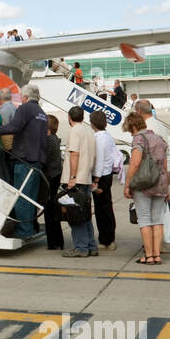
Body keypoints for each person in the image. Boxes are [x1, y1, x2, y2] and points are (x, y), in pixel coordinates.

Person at [0, 84, 47, 239]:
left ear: (25, 97)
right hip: (38, 160)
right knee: (30, 197)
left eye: (21, 96)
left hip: (24, 160)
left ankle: (23, 231)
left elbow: (14, 126)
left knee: (21, 197)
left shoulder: (25, 109)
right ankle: (30, 228)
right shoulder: (41, 112)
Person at [122, 110, 170, 265]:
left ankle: (148, 256)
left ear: (133, 127)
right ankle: (157, 255)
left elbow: (135, 163)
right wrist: (166, 188)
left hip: (144, 184)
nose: (130, 133)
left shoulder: (139, 139)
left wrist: (127, 184)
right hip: (160, 183)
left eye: (129, 129)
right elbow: (164, 165)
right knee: (158, 220)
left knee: (144, 220)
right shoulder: (159, 138)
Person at [63, 105, 97, 257]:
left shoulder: (75, 131)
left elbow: (74, 154)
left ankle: (81, 247)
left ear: (69, 118)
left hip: (77, 179)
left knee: (75, 214)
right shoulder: (89, 131)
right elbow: (94, 156)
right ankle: (91, 245)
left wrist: (72, 177)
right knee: (86, 214)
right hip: (87, 177)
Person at [90, 109, 118, 251]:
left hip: (101, 175)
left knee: (102, 210)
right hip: (108, 174)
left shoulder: (98, 138)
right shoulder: (107, 135)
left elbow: (99, 160)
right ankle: (109, 238)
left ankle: (105, 240)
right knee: (106, 207)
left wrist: (96, 180)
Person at [42, 114, 64, 250]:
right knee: (53, 209)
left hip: (50, 177)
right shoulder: (54, 138)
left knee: (49, 210)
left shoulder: (48, 140)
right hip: (56, 175)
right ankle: (58, 240)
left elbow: (44, 159)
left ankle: (53, 241)